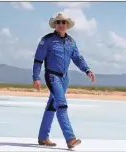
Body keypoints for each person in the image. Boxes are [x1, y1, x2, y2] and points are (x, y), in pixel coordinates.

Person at [32, 13, 95, 149]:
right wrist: (36, 77)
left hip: (64, 78)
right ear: (55, 24)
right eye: (59, 22)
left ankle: (43, 137)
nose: (61, 24)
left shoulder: (71, 42)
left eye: (63, 22)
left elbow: (77, 58)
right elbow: (38, 60)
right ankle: (70, 138)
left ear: (67, 25)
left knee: (52, 106)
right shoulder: (47, 40)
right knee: (62, 105)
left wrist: (87, 70)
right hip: (52, 76)